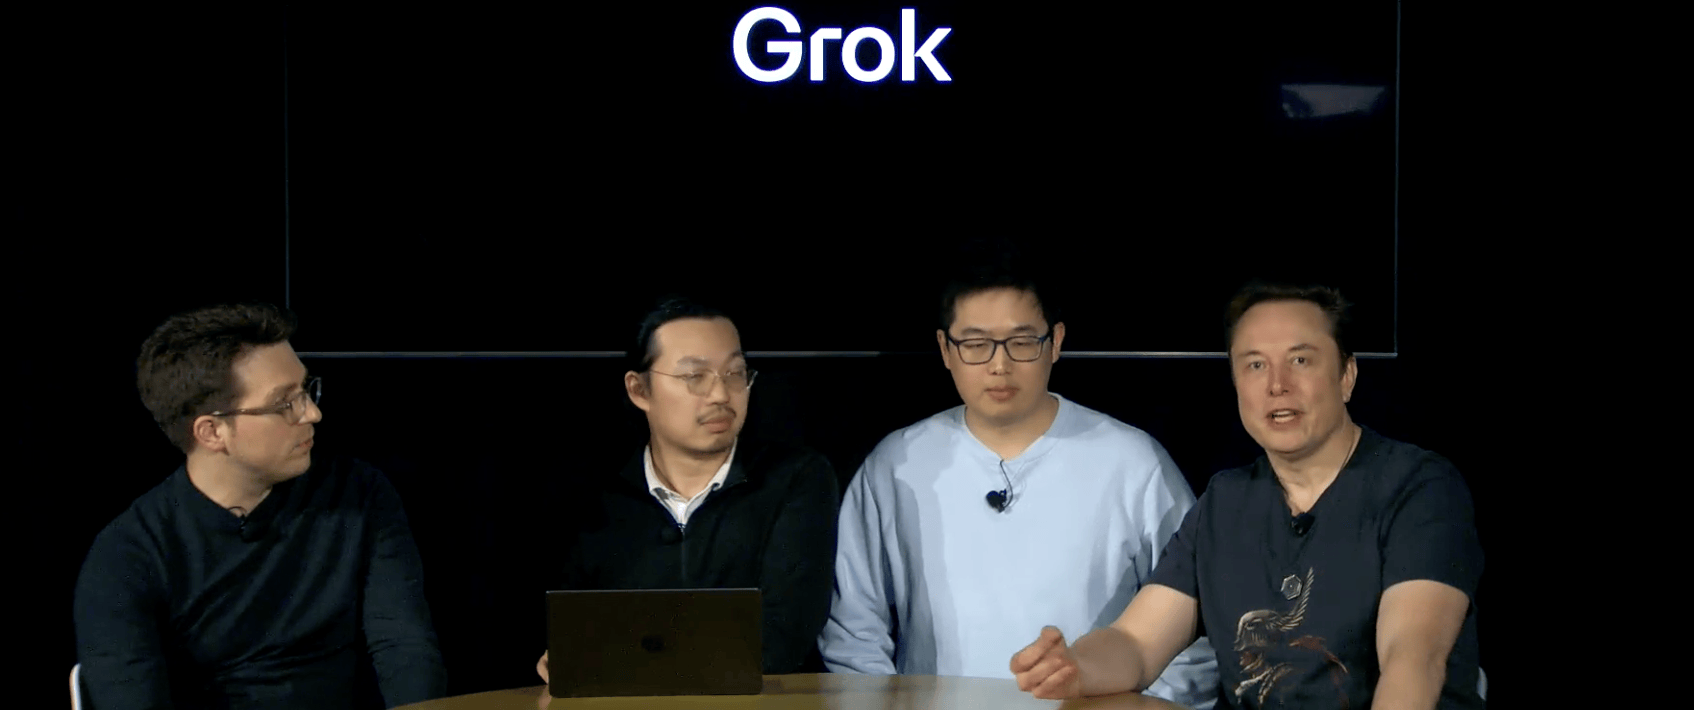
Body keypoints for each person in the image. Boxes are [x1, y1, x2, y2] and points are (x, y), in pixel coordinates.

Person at [1011, 283, 1484, 709]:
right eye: (1255, 365)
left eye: (1300, 360)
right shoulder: (1226, 501)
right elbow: (1135, 644)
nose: (1277, 385)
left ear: (1347, 375)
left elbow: (1414, 660)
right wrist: (1074, 667)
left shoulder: (1419, 487)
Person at [820, 251, 1219, 708]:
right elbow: (853, 632)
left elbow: (1197, 624)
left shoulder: (1133, 463)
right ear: (945, 349)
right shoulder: (896, 465)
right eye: (976, 344)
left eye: (1021, 342)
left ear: (1056, 341)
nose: (999, 365)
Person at [73, 302, 447, 709]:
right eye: (285, 403)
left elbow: (405, 648)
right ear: (212, 432)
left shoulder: (359, 494)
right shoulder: (127, 558)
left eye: (306, 390)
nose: (313, 413)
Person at [536, 297, 839, 684]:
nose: (721, 394)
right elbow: (569, 636)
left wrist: (621, 658)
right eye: (695, 376)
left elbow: (781, 638)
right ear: (639, 390)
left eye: (735, 373)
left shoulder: (794, 479)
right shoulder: (591, 496)